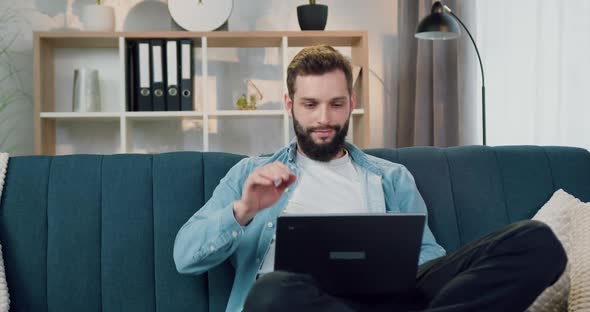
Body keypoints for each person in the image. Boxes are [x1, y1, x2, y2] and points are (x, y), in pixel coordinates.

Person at [173, 45, 566, 312]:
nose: (324, 118)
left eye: (336, 104)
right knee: (273, 291)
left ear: (351, 104)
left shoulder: (391, 178)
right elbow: (185, 256)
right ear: (291, 106)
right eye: (310, 105)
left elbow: (430, 259)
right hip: (301, 303)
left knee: (538, 241)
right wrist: (243, 209)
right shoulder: (249, 174)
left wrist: (398, 261)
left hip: (388, 300)